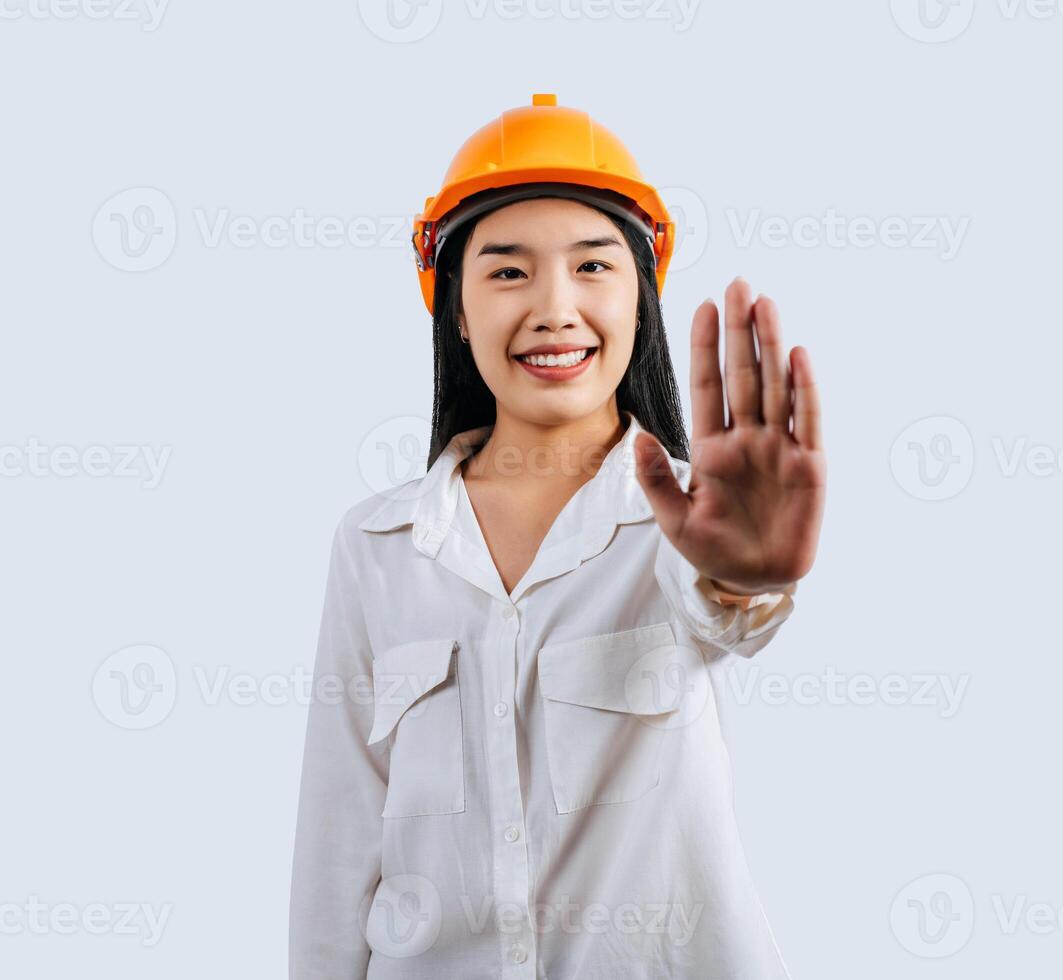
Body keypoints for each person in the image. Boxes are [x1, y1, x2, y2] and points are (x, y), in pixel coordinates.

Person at [287, 93, 826, 979]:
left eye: (592, 267)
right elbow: (337, 842)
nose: (554, 307)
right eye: (507, 272)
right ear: (454, 310)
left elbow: (723, 612)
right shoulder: (376, 548)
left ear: (642, 299)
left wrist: (743, 580)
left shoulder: (692, 522)